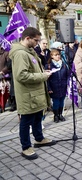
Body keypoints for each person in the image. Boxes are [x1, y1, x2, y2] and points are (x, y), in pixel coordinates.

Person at [9, 27, 56, 160]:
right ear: (27, 38)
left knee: (37, 117)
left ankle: (39, 139)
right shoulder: (20, 54)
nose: (38, 42)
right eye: (36, 40)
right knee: (26, 121)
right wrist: (42, 76)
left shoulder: (29, 51)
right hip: (27, 95)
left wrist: (43, 73)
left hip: (35, 94)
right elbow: (21, 75)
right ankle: (26, 147)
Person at [45, 49, 68, 123]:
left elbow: (67, 75)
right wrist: (49, 88)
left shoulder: (64, 65)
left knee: (62, 101)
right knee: (56, 102)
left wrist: (67, 84)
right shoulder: (48, 66)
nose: (58, 56)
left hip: (63, 86)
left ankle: (60, 114)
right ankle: (56, 115)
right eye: (56, 55)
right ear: (52, 56)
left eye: (58, 55)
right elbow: (47, 79)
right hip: (54, 87)